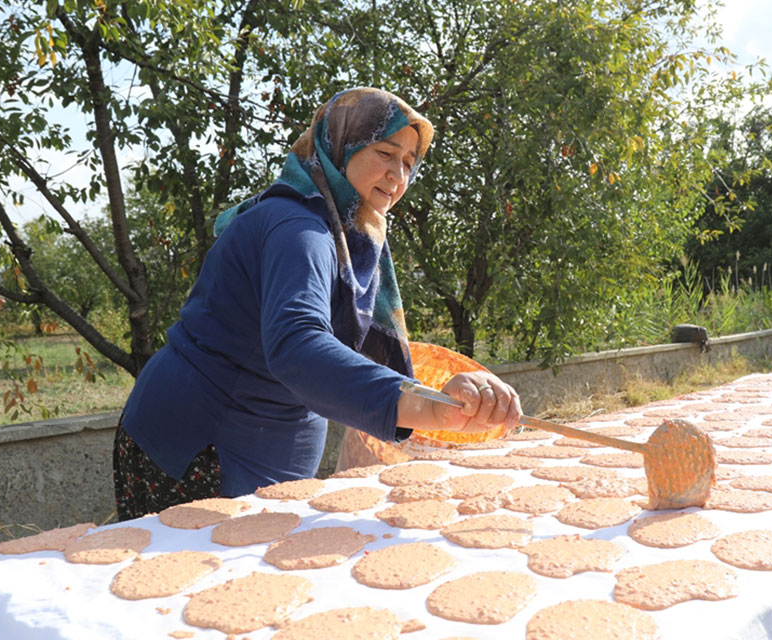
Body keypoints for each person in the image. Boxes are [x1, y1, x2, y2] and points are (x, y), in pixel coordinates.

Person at [112, 88, 521, 520]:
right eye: (385, 152)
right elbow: (298, 347)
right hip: (201, 445)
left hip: (263, 445)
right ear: (340, 145)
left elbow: (338, 352)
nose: (398, 175)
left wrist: (430, 394)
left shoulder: (348, 233)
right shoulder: (298, 229)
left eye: (408, 162)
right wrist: (428, 407)